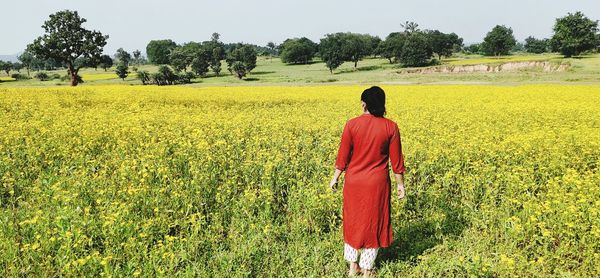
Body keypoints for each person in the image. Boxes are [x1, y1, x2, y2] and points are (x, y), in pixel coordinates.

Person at [329, 86, 406, 277]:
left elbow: (343, 156)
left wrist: (335, 177)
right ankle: (367, 269)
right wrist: (400, 184)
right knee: (374, 223)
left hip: (354, 183)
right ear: (382, 104)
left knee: (353, 222)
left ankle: (352, 267)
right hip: (376, 185)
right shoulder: (391, 127)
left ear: (364, 104)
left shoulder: (352, 124)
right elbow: (396, 161)